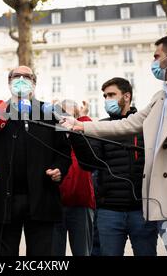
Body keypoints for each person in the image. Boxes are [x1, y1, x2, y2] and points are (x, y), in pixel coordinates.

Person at [62, 33, 167, 256]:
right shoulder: (160, 97)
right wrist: (81, 126)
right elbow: (128, 124)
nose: (153, 62)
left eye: (156, 56)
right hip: (166, 203)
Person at [0, 65, 71, 256]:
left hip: (41, 197)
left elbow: (64, 151)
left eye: (27, 77)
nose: (21, 80)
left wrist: (59, 168)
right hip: (3, 200)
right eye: (17, 76)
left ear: (34, 83)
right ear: (9, 82)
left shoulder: (49, 112)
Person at [70, 78, 158, 256]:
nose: (106, 100)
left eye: (111, 95)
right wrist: (77, 135)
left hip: (142, 211)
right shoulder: (100, 127)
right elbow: (89, 163)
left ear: (127, 96)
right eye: (104, 96)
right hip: (109, 211)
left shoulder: (146, 126)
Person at [52, 99, 95, 256]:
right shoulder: (54, 133)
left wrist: (83, 117)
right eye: (62, 112)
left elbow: (91, 134)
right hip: (56, 204)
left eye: (71, 113)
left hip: (81, 203)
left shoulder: (81, 131)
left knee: (82, 251)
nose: (66, 116)